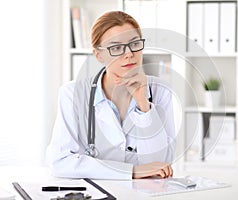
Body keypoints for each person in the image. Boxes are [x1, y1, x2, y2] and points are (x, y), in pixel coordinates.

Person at [46, 11, 176, 180]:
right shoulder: (72, 94)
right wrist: (131, 171)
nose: (129, 54)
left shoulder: (160, 90)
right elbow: (60, 162)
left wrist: (143, 104)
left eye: (135, 44)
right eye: (116, 48)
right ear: (99, 55)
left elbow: (161, 164)